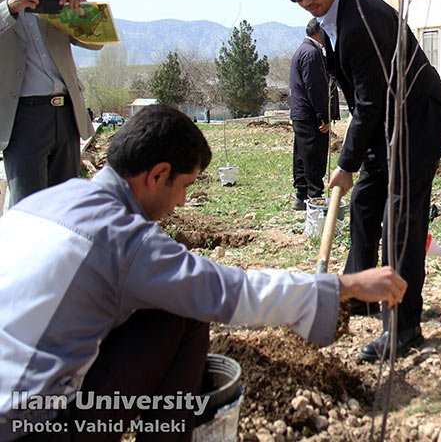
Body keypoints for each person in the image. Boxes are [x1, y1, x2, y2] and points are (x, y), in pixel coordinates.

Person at [0, 105, 406, 442]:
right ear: (157, 174)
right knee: (184, 311)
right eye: (184, 186)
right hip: (32, 426)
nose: (180, 202)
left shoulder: (44, 202)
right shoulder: (126, 240)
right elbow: (229, 292)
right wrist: (348, 284)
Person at [283, 0, 441, 361]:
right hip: (387, 124)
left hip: (415, 123)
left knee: (400, 221)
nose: (307, 2)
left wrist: (345, 164)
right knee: (364, 202)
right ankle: (358, 294)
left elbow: (368, 102)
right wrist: (355, 163)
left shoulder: (358, 19)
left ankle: (403, 328)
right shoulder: (333, 15)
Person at [0, 0, 102, 207]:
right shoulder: (5, 5)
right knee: (29, 209)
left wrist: (83, 12)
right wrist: (10, 9)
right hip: (21, 120)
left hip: (66, 115)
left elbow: (96, 44)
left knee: (65, 206)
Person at [289, 18, 332, 210]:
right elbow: (314, 87)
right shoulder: (311, 53)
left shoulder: (303, 50)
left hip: (300, 113)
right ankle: (315, 198)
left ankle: (301, 194)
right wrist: (323, 115)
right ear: (319, 33)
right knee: (313, 154)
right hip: (309, 113)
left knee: (302, 154)